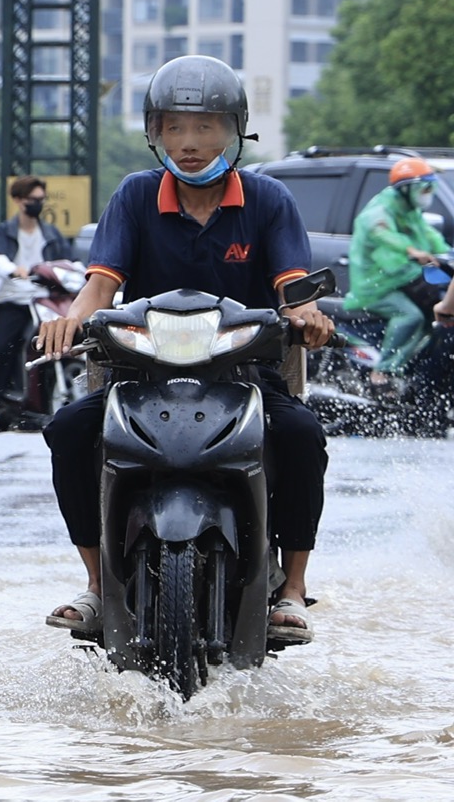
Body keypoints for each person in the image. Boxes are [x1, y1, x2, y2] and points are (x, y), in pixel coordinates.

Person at [36, 55, 333, 641]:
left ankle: (293, 589)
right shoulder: (135, 195)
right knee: (68, 429)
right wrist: (68, 321)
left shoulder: (269, 200)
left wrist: (306, 314)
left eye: (206, 126)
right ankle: (97, 585)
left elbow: (292, 289)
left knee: (302, 436)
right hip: (141, 377)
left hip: (247, 376)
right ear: (155, 133)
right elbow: (100, 285)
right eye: (174, 127)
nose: (190, 142)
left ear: (235, 130)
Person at [0, 174, 72, 430]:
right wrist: (13, 269)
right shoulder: (5, 231)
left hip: (43, 301)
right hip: (13, 301)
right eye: (33, 199)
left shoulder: (51, 233)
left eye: (41, 199)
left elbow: (66, 262)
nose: (38, 204)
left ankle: (41, 403)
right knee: (1, 350)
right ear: (18, 200)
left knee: (59, 343)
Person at [341, 157, 451, 380]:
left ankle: (410, 371)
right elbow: (383, 234)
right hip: (376, 284)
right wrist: (412, 251)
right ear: (407, 189)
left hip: (402, 279)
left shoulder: (410, 211)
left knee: (432, 319)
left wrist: (447, 252)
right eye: (425, 187)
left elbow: (430, 236)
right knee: (410, 316)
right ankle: (382, 371)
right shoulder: (380, 210)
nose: (429, 192)